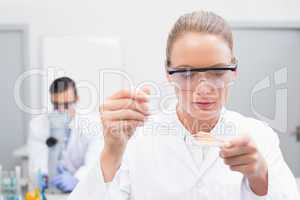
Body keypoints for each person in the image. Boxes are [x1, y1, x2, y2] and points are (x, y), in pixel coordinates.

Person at [68, 11, 300, 199]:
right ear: (169, 73)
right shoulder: (137, 139)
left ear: (234, 71)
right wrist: (111, 152)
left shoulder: (259, 136)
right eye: (187, 73)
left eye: (218, 71)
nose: (204, 88)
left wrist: (259, 177)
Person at [28, 77, 102, 193]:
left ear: (77, 99)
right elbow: (37, 163)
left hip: (83, 191)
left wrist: (77, 180)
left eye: (66, 105)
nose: (61, 110)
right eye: (56, 106)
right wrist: (44, 176)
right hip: (50, 192)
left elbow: (94, 164)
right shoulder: (38, 125)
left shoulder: (93, 125)